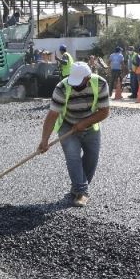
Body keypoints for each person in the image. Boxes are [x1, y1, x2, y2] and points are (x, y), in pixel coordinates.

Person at [38, 62, 110, 207]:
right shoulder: (62, 88)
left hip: (90, 126)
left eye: (79, 82)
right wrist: (44, 140)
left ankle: (78, 187)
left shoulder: (101, 84)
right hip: (67, 125)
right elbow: (52, 115)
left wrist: (84, 123)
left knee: (92, 158)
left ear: (88, 78)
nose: (75, 86)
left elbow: (104, 112)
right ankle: (81, 192)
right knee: (73, 157)